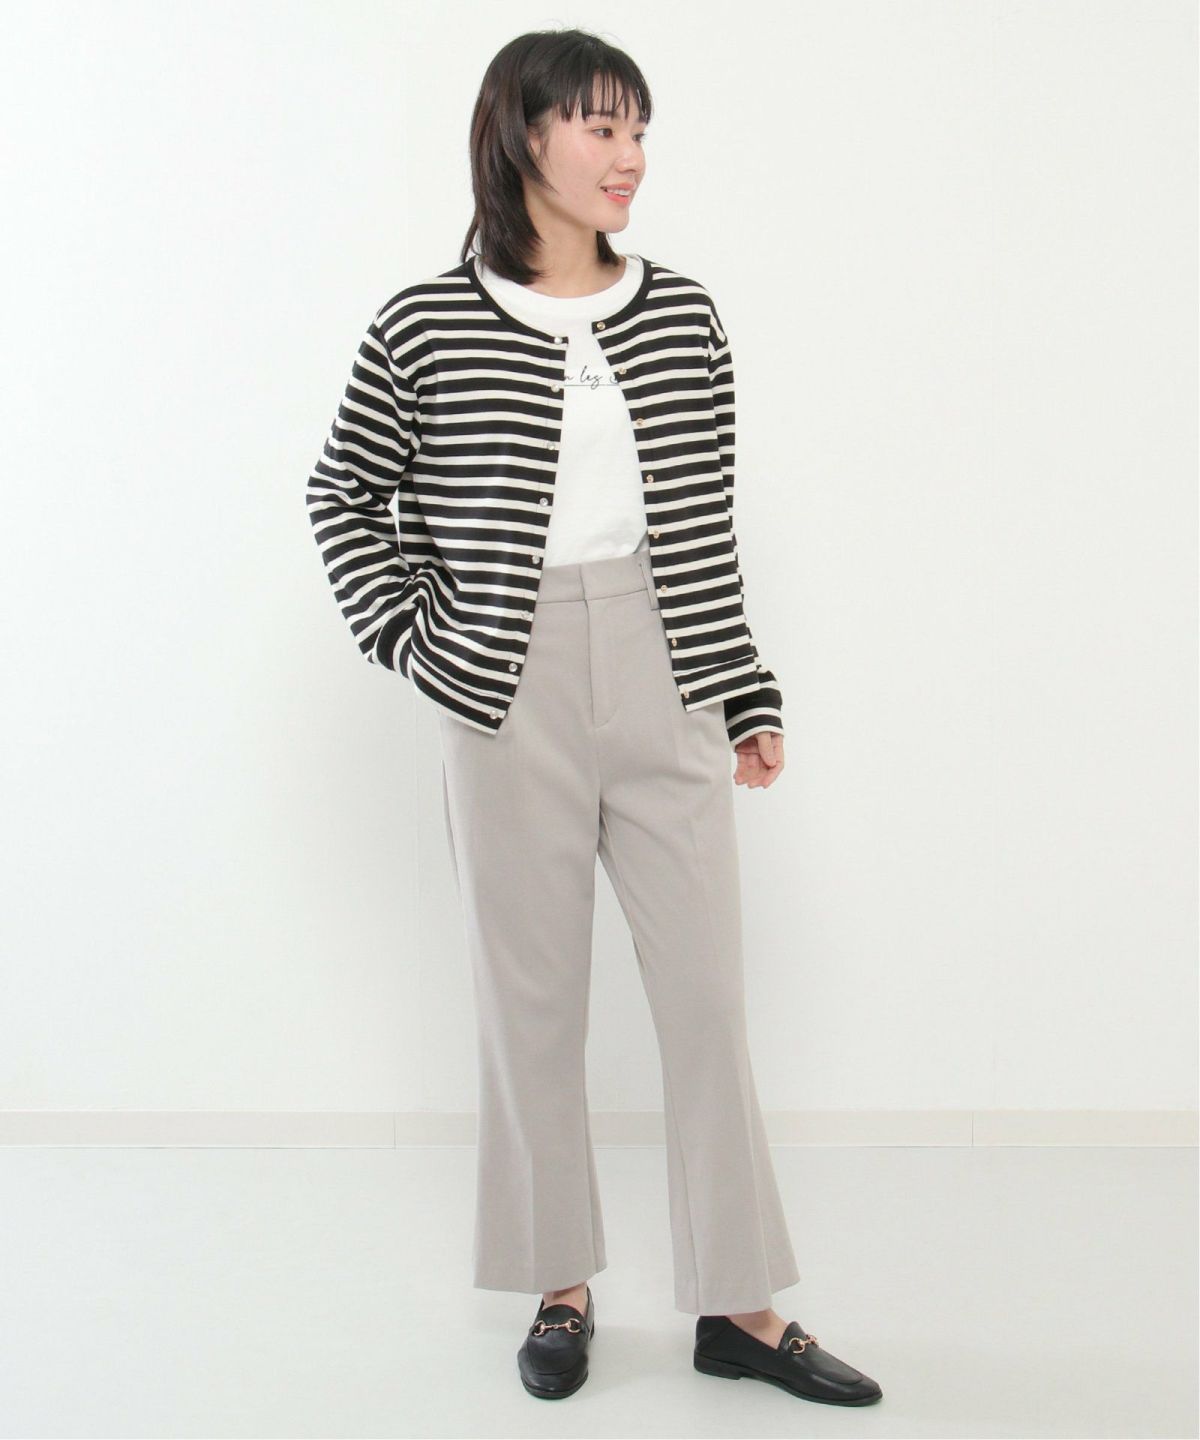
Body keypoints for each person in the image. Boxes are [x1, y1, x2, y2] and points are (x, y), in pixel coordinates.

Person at [306, 24, 882, 1409]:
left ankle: (739, 1307)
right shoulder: (424, 325)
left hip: (665, 662)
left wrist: (744, 689)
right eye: (602, 128)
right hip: (504, 687)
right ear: (527, 136)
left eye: (639, 132)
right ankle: (558, 1289)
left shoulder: (683, 316)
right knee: (533, 1005)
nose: (630, 158)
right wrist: (423, 644)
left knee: (707, 1001)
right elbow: (343, 495)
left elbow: (704, 525)